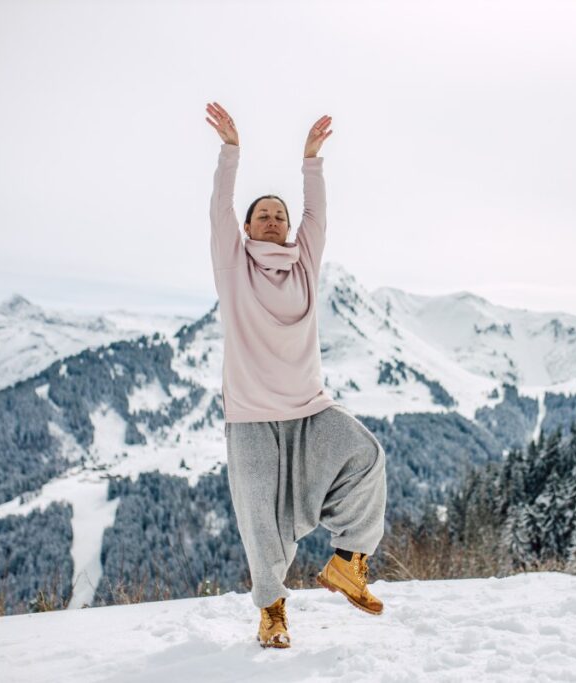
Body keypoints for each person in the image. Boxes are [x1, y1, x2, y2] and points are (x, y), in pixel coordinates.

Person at [204, 102, 388, 649]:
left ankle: (348, 563)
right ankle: (273, 613)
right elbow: (218, 210)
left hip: (310, 408)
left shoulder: (303, 263)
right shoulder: (234, 268)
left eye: (280, 216)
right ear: (246, 226)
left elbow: (319, 218)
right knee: (260, 522)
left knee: (365, 456)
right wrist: (230, 152)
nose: (274, 221)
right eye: (263, 215)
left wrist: (312, 161)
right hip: (253, 418)